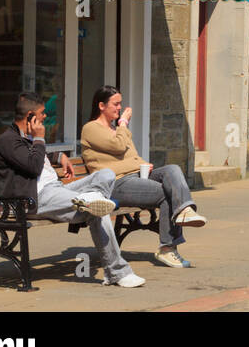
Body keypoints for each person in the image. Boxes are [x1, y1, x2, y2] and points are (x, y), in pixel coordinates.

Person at [0, 91, 144, 288]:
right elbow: (32, 166)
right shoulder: (8, 140)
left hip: (55, 190)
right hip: (34, 198)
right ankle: (117, 272)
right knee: (97, 211)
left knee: (105, 174)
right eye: (41, 113)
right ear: (30, 116)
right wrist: (40, 138)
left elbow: (35, 156)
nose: (45, 116)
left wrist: (60, 157)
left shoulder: (26, 138)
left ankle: (91, 200)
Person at [81, 87, 206, 269]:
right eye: (115, 104)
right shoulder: (91, 128)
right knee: (166, 193)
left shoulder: (116, 129)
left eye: (120, 104)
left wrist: (142, 163)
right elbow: (117, 146)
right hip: (115, 183)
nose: (119, 108)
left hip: (135, 177)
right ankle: (167, 249)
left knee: (172, 169)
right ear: (101, 105)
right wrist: (124, 124)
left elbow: (131, 155)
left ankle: (185, 210)